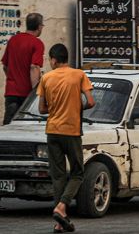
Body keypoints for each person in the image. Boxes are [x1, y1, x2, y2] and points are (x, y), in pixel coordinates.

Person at [38, 43, 94, 233]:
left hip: (52, 131)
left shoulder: (46, 78)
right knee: (78, 172)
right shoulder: (79, 75)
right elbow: (91, 102)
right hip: (71, 132)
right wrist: (76, 107)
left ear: (54, 59)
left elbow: (41, 109)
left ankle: (59, 222)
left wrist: (56, 108)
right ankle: (61, 207)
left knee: (58, 176)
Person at [1, 12, 45, 124]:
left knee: (8, 125)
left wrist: (14, 78)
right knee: (26, 126)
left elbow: (5, 66)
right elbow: (34, 67)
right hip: (27, 95)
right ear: (39, 26)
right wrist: (35, 92)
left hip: (11, 93)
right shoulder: (37, 43)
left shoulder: (13, 40)